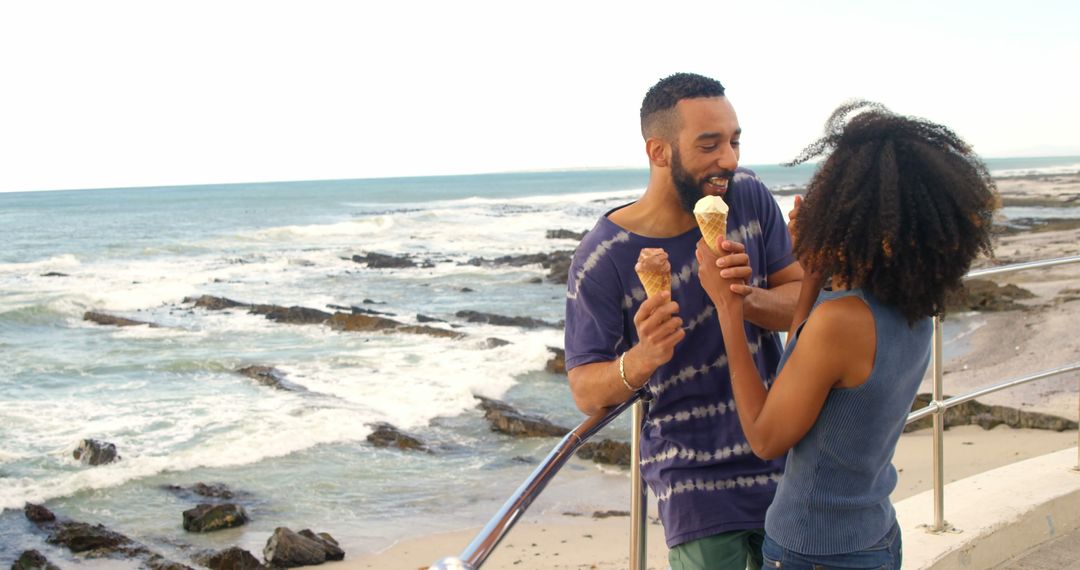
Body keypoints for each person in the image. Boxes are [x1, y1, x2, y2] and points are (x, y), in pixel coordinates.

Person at [697, 100, 997, 569]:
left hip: (814, 548)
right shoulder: (910, 305)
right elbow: (806, 359)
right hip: (873, 534)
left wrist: (727, 309)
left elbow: (765, 437)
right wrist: (813, 274)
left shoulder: (841, 323)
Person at [564, 72, 803, 569]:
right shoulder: (603, 256)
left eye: (735, 141)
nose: (730, 160)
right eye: (709, 145)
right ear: (659, 152)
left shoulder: (749, 195)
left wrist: (744, 297)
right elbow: (586, 389)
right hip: (693, 484)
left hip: (785, 455)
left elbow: (801, 300)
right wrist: (642, 358)